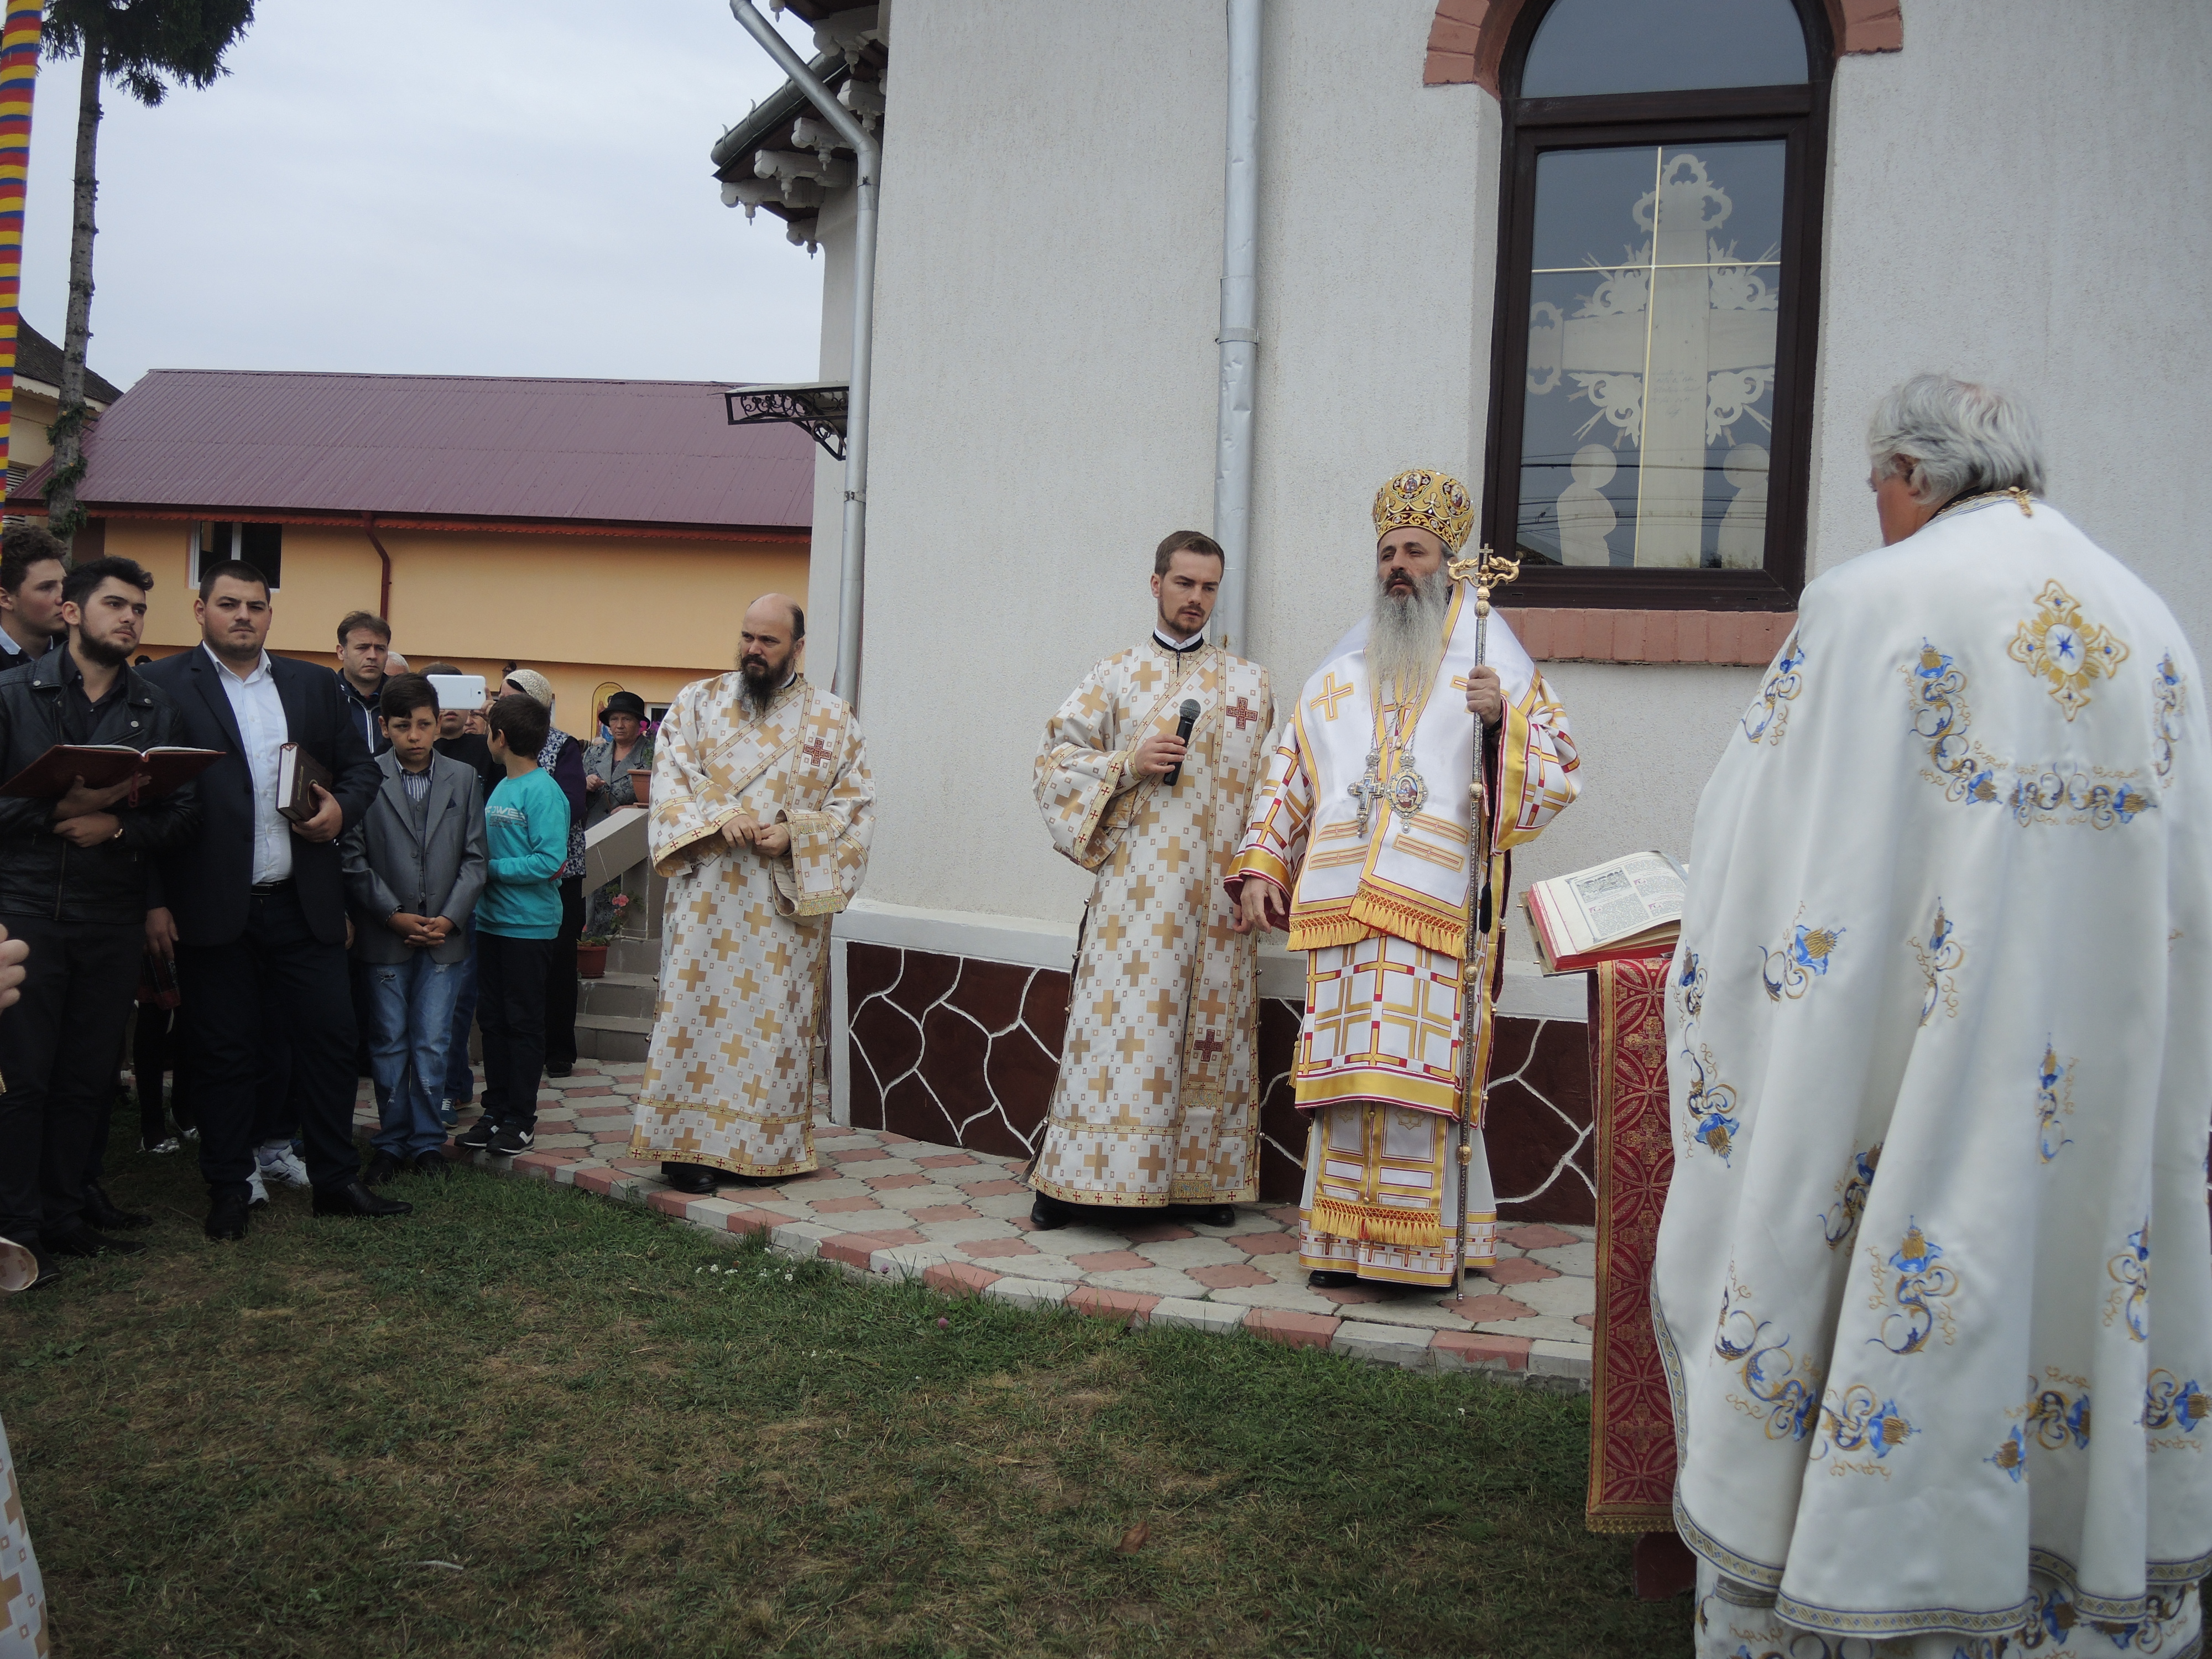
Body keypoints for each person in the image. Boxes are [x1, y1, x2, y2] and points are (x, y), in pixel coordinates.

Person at [1652, 376, 2212, 1652]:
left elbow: (1757, 848)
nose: (1876, 508)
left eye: (1873, 486)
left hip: (1906, 1067)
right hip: (2091, 1089)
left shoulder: (1869, 603)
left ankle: (1853, 1595)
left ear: (1908, 473)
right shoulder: (2147, 620)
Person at [1226, 469, 1579, 1287]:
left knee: (1414, 1086)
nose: (1398, 566)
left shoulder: (1492, 668)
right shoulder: (1338, 676)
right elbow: (1290, 772)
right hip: (1341, 913)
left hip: (1432, 912)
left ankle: (1416, 1251)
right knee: (1345, 1082)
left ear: (1449, 566)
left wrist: (1504, 725)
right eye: (1388, 552)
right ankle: (1339, 1245)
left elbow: (1559, 773)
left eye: (1415, 552)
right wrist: (1263, 862)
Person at [139, 560, 409, 1238]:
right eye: (229, 604)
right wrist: (153, 900)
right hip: (210, 904)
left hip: (302, 900)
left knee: (330, 1042)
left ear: (270, 614)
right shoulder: (162, 684)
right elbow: (142, 802)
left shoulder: (313, 685)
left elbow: (359, 772)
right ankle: (230, 1187)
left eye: (256, 606)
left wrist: (340, 812)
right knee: (224, 1052)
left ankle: (336, 1180)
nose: (243, 616)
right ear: (201, 610)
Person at [1026, 531, 1274, 1229]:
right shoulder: (1113, 676)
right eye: (1184, 583)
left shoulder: (1250, 686)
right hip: (1133, 899)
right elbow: (1051, 765)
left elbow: (1270, 790)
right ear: (1156, 582)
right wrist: (1126, 764)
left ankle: (1202, 1183)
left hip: (1215, 901)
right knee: (1113, 1034)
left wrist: (1259, 873)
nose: (1196, 598)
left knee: (1206, 1036)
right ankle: (1070, 1183)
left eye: (1208, 587)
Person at [626, 595, 873, 1194]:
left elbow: (854, 808)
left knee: (768, 1027)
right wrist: (722, 816)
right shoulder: (697, 702)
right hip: (706, 898)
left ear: (798, 647)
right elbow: (672, 778)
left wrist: (794, 834)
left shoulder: (833, 720)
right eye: (747, 638)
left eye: (768, 641)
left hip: (779, 907)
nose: (753, 650)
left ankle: (760, 1149)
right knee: (695, 1016)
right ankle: (686, 1150)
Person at [0, 557, 201, 1281]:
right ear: (72, 612)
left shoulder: (155, 707)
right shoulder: (13, 695)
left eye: (138, 609)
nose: (130, 619)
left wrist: (116, 827)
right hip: (26, 911)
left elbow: (183, 815)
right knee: (25, 1079)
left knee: (86, 1076)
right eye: (115, 604)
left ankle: (65, 1214)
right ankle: (17, 1229)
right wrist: (64, 809)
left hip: (112, 916)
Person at [341, 674, 486, 1183]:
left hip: (445, 936)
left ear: (438, 724)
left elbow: (475, 857)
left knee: (433, 1040)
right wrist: (391, 914)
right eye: (403, 726)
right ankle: (391, 1139)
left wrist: (449, 917)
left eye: (424, 725)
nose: (415, 736)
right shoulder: (365, 777)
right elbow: (353, 857)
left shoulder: (464, 777)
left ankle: (427, 1142)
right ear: (385, 727)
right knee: (387, 1040)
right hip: (387, 935)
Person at [453, 692, 568, 1157]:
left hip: (528, 927)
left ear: (499, 737)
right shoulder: (502, 785)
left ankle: (521, 1119)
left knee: (522, 1024)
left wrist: (489, 870)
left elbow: (551, 861)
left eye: (486, 728)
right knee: (494, 1022)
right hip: (491, 924)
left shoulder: (543, 791)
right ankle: (495, 1111)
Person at [499, 669, 587, 1077]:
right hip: (509, 872)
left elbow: (574, 803)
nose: (500, 704)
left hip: (558, 871)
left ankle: (559, 1049)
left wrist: (533, 811)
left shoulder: (562, 745)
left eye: (509, 697)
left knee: (559, 958)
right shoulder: (498, 744)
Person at [424, 662, 500, 1127]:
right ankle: (437, 1085)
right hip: (416, 891)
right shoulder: (412, 750)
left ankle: (451, 1088)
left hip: (466, 889)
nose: (447, 709)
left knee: (457, 998)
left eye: (457, 698)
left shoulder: (484, 750)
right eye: (438, 698)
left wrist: (495, 718)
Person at [581, 690, 653, 938]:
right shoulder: (594, 754)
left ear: (639, 723)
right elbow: (571, 791)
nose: (619, 725)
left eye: (627, 719)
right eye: (614, 719)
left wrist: (634, 809)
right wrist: (584, 784)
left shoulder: (652, 754)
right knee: (592, 902)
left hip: (632, 844)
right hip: (595, 838)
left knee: (626, 907)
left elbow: (665, 797)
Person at [0, 524, 65, 664]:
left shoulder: (80, 657)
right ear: (5, 599)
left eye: (65, 583)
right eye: (47, 587)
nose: (63, 598)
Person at [334, 610, 392, 755]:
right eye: (362, 648)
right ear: (341, 652)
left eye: (380, 649)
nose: (372, 656)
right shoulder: (327, 697)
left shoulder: (401, 697)